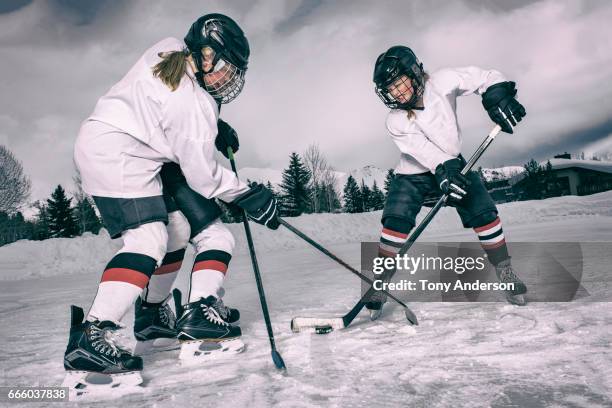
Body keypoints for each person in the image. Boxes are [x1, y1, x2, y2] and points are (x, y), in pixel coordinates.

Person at [63, 13, 280, 394]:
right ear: (206, 54)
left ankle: (151, 319)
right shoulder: (193, 106)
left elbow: (166, 114)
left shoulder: (169, 48)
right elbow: (203, 177)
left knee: (176, 228)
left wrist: (213, 122)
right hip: (119, 154)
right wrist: (248, 195)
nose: (228, 79)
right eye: (225, 68)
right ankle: (91, 337)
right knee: (147, 240)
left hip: (120, 145)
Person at [368, 45, 527, 320]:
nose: (398, 92)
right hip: (413, 173)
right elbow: (426, 153)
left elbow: (485, 76)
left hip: (455, 164)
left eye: (400, 83)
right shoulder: (394, 121)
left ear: (414, 72)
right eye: (391, 89)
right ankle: (380, 283)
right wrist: (444, 171)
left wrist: (497, 94)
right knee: (395, 220)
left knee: (484, 211)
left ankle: (504, 270)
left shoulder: (442, 81)